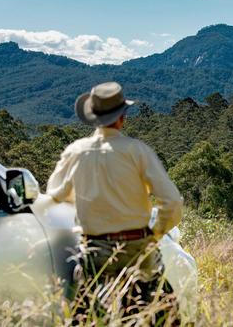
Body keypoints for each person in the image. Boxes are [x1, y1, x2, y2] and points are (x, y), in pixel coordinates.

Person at [46, 81, 183, 319]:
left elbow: (55, 192)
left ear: (93, 118)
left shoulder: (76, 152)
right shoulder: (137, 151)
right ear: (122, 117)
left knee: (87, 316)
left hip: (93, 249)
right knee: (156, 316)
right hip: (136, 247)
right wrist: (155, 233)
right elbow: (172, 202)